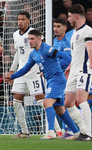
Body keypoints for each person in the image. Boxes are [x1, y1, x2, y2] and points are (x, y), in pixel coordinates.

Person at [5, 29, 80, 140]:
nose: (29, 41)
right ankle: (76, 132)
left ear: (39, 39)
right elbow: (25, 69)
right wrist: (12, 76)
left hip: (57, 79)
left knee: (47, 102)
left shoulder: (47, 49)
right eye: (28, 39)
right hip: (50, 81)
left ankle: (50, 132)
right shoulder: (33, 54)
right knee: (59, 109)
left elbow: (63, 55)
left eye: (32, 39)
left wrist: (71, 66)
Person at [9, 11, 62, 139]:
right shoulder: (15, 34)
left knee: (43, 102)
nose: (20, 21)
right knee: (16, 101)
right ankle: (24, 132)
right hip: (21, 72)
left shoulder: (35, 33)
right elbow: (18, 52)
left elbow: (44, 49)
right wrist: (12, 69)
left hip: (34, 73)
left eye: (22, 19)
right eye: (18, 19)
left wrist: (45, 66)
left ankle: (57, 130)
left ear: (29, 21)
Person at [64, 4, 92, 141]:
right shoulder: (74, 32)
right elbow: (77, 53)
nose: (68, 20)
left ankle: (90, 133)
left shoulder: (87, 31)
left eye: (69, 17)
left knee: (81, 99)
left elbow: (90, 47)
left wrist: (91, 63)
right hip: (74, 70)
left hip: (84, 70)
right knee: (68, 103)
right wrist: (70, 66)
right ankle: (83, 131)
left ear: (76, 16)